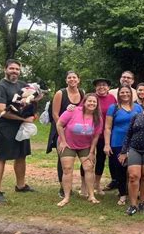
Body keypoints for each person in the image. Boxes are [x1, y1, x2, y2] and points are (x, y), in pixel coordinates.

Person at [0, 59, 38, 203]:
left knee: (21, 155)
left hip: (22, 128)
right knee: (1, 157)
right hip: (6, 127)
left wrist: (32, 114)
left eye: (17, 69)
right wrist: (23, 120)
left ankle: (21, 185)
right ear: (5, 69)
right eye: (11, 68)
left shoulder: (23, 85)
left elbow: (32, 100)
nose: (14, 71)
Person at [56, 93, 103, 207]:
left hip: (85, 146)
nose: (92, 103)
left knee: (89, 167)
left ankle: (91, 195)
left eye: (94, 102)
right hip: (68, 143)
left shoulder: (98, 118)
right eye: (89, 101)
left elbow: (96, 137)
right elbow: (59, 124)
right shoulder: (73, 111)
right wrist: (62, 141)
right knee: (67, 169)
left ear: (97, 104)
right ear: (84, 102)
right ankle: (66, 197)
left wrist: (92, 152)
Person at [46, 70, 85, 198]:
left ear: (78, 80)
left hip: (76, 131)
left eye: (74, 77)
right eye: (69, 78)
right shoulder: (60, 93)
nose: (72, 80)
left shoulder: (82, 93)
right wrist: (62, 128)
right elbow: (55, 114)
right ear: (66, 80)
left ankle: (79, 186)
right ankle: (63, 188)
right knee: (62, 158)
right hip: (60, 129)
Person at [103, 85, 142, 205]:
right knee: (120, 169)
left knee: (133, 170)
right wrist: (107, 144)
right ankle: (122, 194)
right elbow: (108, 127)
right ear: (118, 94)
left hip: (134, 143)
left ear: (131, 94)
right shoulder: (113, 108)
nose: (125, 94)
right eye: (122, 92)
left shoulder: (138, 108)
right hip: (117, 142)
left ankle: (134, 193)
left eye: (127, 92)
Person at [89, 78, 116, 195]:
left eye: (104, 85)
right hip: (89, 134)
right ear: (95, 88)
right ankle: (84, 185)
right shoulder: (90, 98)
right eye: (99, 85)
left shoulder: (112, 99)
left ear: (108, 88)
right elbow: (80, 110)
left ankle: (97, 185)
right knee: (88, 159)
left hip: (104, 135)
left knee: (101, 159)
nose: (101, 87)